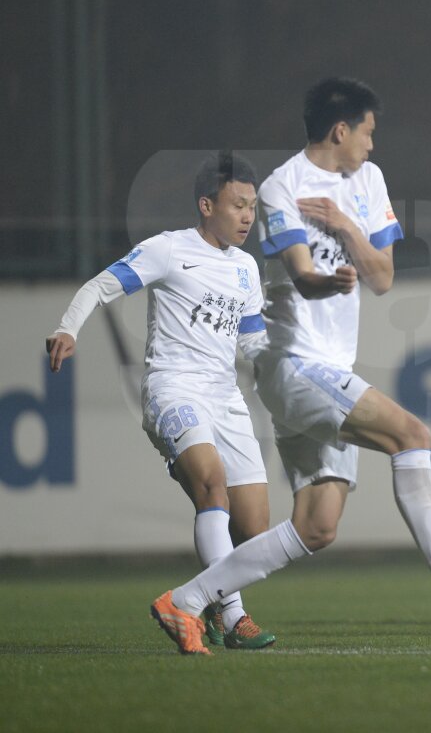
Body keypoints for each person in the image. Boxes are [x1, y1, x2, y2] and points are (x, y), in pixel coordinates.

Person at [145, 77, 431, 655]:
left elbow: (384, 276)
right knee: (411, 435)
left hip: (327, 366)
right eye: (368, 132)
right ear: (341, 129)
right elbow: (302, 274)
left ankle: (185, 601)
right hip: (292, 363)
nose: (372, 143)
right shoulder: (279, 187)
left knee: (317, 527)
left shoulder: (369, 180)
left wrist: (344, 227)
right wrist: (329, 273)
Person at [46, 152, 277, 652]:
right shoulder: (168, 250)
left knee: (256, 530)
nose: (246, 217)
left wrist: (281, 367)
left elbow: (253, 341)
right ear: (206, 205)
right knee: (212, 484)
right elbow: (100, 286)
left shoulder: (246, 269)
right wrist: (67, 327)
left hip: (225, 396)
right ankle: (234, 619)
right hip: (174, 387)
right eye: (237, 205)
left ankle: (214, 604)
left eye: (252, 207)